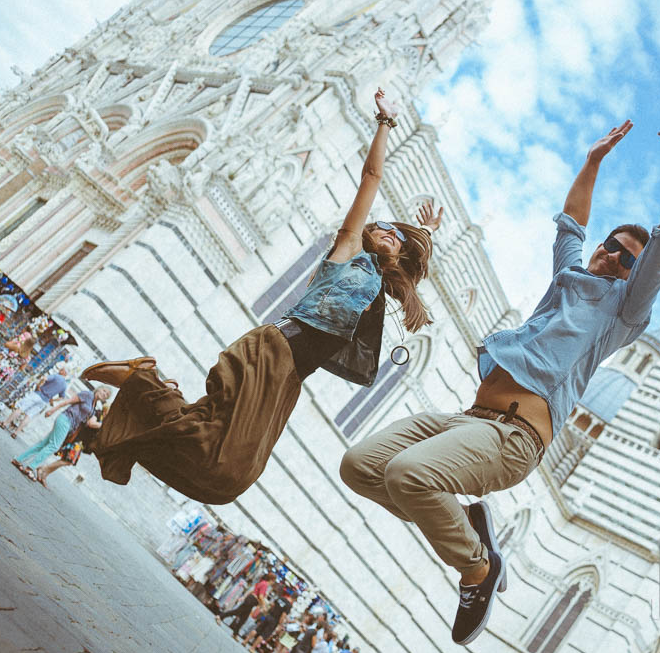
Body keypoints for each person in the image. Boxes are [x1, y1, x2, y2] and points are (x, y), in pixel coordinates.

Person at [341, 113, 660, 644]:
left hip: (514, 437)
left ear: (635, 274)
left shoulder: (623, 313)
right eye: (610, 244)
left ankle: (479, 571)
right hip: (471, 419)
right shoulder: (568, 280)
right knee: (361, 467)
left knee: (408, 476)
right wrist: (593, 161)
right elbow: (571, 224)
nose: (611, 254)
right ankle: (470, 531)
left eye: (626, 258)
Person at [83, 87, 440, 504]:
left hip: (291, 377)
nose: (389, 233)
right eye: (385, 226)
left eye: (398, 238)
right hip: (272, 350)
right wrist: (385, 122)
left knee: (231, 477)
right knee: (217, 457)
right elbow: (372, 178)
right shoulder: (347, 251)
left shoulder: (380, 284)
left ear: (399, 255)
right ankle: (141, 379)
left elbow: (409, 262)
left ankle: (148, 384)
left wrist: (427, 233)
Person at [12, 386, 112, 486]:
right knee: (54, 446)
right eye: (104, 391)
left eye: (107, 395)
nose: (104, 394)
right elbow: (68, 402)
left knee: (43, 444)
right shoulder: (87, 395)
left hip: (70, 426)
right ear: (99, 388)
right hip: (65, 419)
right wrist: (53, 410)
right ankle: (30, 467)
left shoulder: (94, 406)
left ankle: (18, 460)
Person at [29, 409, 103, 487]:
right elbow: (90, 423)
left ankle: (44, 474)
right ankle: (43, 469)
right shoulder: (98, 413)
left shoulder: (103, 419)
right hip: (78, 440)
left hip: (82, 444)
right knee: (68, 461)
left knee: (65, 460)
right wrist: (102, 425)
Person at [0, 366, 70, 437]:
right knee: (29, 416)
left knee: (20, 408)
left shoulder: (56, 376)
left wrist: (39, 385)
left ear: (63, 372)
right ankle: (16, 433)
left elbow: (44, 378)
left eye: (61, 369)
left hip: (38, 394)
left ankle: (5, 423)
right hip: (44, 401)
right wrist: (52, 400)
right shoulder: (64, 385)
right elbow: (62, 397)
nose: (60, 370)